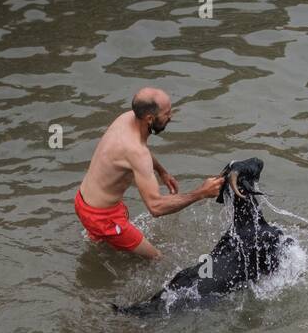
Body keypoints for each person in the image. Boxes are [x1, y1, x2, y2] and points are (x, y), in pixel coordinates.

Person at [74, 87, 224, 260]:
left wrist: (162, 171)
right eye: (167, 113)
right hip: (104, 218)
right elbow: (155, 207)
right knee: (157, 258)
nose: (171, 117)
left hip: (82, 201)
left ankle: (98, 252)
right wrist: (201, 193)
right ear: (150, 118)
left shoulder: (126, 119)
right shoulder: (137, 152)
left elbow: (139, 149)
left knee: (104, 246)